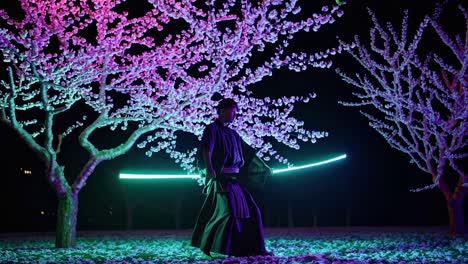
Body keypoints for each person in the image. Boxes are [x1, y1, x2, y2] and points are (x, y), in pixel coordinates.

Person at [190, 98, 274, 257]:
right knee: (229, 213)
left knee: (253, 212)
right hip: (220, 179)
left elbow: (249, 153)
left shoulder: (233, 134)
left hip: (235, 181)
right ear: (222, 110)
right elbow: (207, 149)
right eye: (232, 111)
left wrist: (265, 166)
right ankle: (216, 246)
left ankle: (256, 248)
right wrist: (209, 169)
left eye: (236, 112)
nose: (234, 115)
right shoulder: (211, 129)